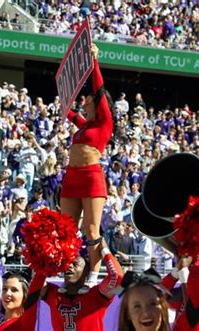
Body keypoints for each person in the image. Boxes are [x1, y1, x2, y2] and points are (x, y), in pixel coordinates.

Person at [61, 43, 114, 288]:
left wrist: (94, 62)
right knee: (67, 230)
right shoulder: (84, 125)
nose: (84, 102)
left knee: (92, 231)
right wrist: (63, 92)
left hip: (92, 178)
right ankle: (70, 274)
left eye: (88, 100)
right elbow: (69, 112)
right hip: (72, 177)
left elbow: (99, 89)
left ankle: (93, 274)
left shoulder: (104, 122)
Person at [34, 239, 123, 330]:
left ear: (86, 271)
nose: (69, 266)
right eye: (67, 263)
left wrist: (105, 250)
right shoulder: (54, 294)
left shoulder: (96, 296)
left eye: (75, 264)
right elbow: (36, 283)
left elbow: (117, 276)